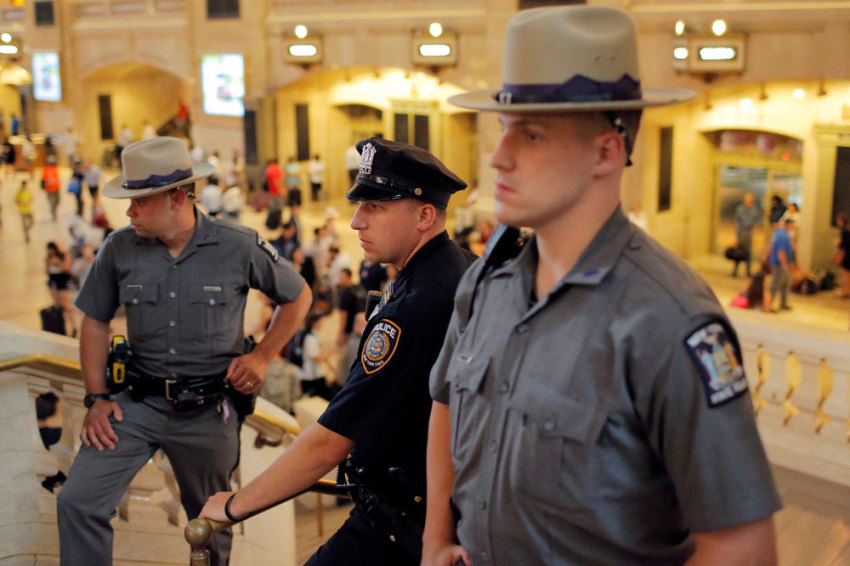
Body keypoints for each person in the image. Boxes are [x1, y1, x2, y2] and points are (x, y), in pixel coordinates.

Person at [424, 7, 781, 566]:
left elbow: (744, 546)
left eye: (532, 134)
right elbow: (445, 401)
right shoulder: (487, 283)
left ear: (606, 151)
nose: (498, 157)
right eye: (503, 128)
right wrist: (435, 539)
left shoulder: (668, 320)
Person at [200, 137, 476, 566]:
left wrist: (236, 505)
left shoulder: (419, 304)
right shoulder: (451, 266)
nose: (355, 222)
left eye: (375, 207)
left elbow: (330, 442)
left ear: (424, 216)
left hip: (400, 523)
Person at [56, 136, 312, 566]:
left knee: (210, 526)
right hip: (135, 407)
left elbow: (298, 295)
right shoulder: (119, 248)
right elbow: (94, 321)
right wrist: (96, 398)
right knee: (77, 501)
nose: (129, 211)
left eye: (139, 201)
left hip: (208, 415)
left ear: (177, 197)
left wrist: (261, 355)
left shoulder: (237, 244)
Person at [766, 217, 795, 312]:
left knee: (785, 283)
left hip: (778, 262)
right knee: (776, 284)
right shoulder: (783, 236)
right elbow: (781, 251)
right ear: (788, 225)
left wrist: (765, 256)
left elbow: (770, 245)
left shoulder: (778, 233)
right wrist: (784, 264)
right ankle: (768, 305)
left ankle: (783, 303)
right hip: (779, 264)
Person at [734, 192, 761, 277]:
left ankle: (748, 270)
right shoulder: (740, 209)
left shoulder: (754, 210)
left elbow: (757, 220)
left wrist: (753, 225)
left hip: (749, 232)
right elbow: (737, 221)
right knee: (739, 251)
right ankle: (735, 270)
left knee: (748, 252)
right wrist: (737, 235)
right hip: (741, 231)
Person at [41, 155, 61, 221]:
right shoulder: (46, 169)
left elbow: (56, 178)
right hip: (49, 188)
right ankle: (53, 213)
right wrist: (44, 187)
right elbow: (44, 179)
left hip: (56, 187)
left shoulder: (54, 168)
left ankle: (53, 210)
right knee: (52, 202)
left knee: (57, 201)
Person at [836, 212, 850, 299]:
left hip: (847, 254)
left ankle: (845, 291)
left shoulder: (845, 232)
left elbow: (844, 245)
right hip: (848, 253)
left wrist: (838, 243)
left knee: (845, 273)